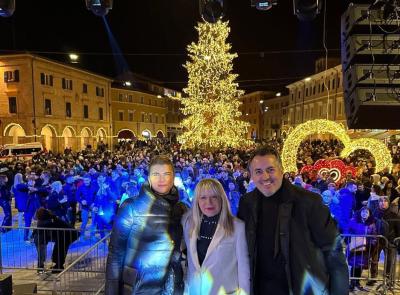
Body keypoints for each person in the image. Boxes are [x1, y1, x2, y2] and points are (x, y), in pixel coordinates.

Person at [237, 146, 348, 295]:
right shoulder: (246, 203)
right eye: (258, 171)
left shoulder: (309, 202)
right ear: (251, 175)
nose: (265, 177)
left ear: (281, 170)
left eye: (270, 169)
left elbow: (334, 255)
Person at [105, 155, 187, 294]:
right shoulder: (131, 207)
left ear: (173, 178)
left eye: (166, 174)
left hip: (172, 287)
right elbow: (116, 253)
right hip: (139, 288)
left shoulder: (182, 209)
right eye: (156, 174)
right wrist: (112, 291)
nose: (161, 179)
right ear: (149, 178)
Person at [182, 178, 250, 295]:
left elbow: (244, 271)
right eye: (203, 197)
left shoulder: (238, 227)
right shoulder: (189, 224)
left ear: (222, 199)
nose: (209, 202)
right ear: (197, 201)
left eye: (214, 197)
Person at [347, 207, 377, 291]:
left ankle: (357, 282)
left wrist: (371, 243)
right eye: (363, 212)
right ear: (360, 212)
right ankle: (352, 283)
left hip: (365, 250)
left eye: (366, 212)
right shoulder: (354, 221)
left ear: (369, 214)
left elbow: (374, 236)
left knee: (360, 266)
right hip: (355, 248)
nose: (364, 214)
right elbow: (348, 231)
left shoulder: (371, 224)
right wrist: (350, 240)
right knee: (354, 265)